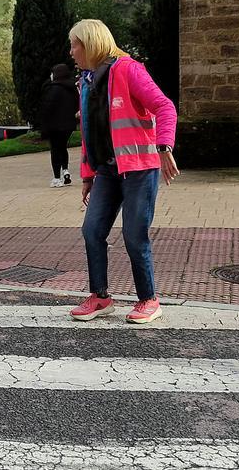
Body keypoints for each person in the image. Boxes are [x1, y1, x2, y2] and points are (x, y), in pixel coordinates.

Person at [65, 19, 179, 325]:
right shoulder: (87, 82)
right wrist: (88, 175)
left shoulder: (128, 70)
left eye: (75, 44)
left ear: (91, 44)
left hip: (139, 170)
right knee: (91, 231)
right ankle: (100, 297)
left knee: (133, 235)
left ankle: (149, 299)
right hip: (106, 172)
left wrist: (164, 146)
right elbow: (90, 132)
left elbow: (165, 107)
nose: (72, 51)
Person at [37, 63, 80, 188]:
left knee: (55, 149)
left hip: (54, 125)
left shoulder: (52, 89)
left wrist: (43, 125)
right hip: (68, 125)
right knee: (63, 147)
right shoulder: (72, 88)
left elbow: (47, 107)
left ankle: (57, 177)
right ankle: (65, 170)